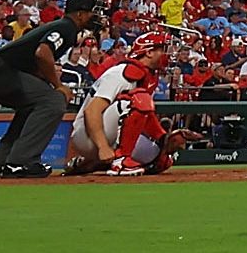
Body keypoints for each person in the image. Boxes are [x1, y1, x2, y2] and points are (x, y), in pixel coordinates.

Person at [0, 0, 97, 178]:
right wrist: (59, 86)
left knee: (34, 103)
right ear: (80, 14)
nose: (95, 17)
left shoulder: (62, 26)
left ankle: (2, 162)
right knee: (53, 100)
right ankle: (20, 162)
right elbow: (42, 52)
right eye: (91, 13)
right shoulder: (67, 27)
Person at [65, 33, 177, 175]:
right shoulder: (122, 73)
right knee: (137, 99)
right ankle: (121, 161)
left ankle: (91, 163)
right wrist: (102, 147)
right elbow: (92, 111)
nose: (166, 54)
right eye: (162, 49)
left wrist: (163, 139)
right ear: (148, 52)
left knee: (159, 159)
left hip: (108, 133)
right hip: (86, 135)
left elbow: (145, 116)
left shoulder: (147, 75)